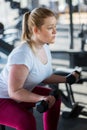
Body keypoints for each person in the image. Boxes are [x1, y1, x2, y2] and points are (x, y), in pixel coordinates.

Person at [0, 7, 80, 130]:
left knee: (54, 98)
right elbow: (14, 92)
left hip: (19, 93)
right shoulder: (23, 54)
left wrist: (66, 79)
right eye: (50, 28)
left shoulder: (44, 48)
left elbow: (45, 77)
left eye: (55, 27)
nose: (55, 32)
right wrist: (40, 98)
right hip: (3, 98)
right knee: (26, 120)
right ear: (36, 30)